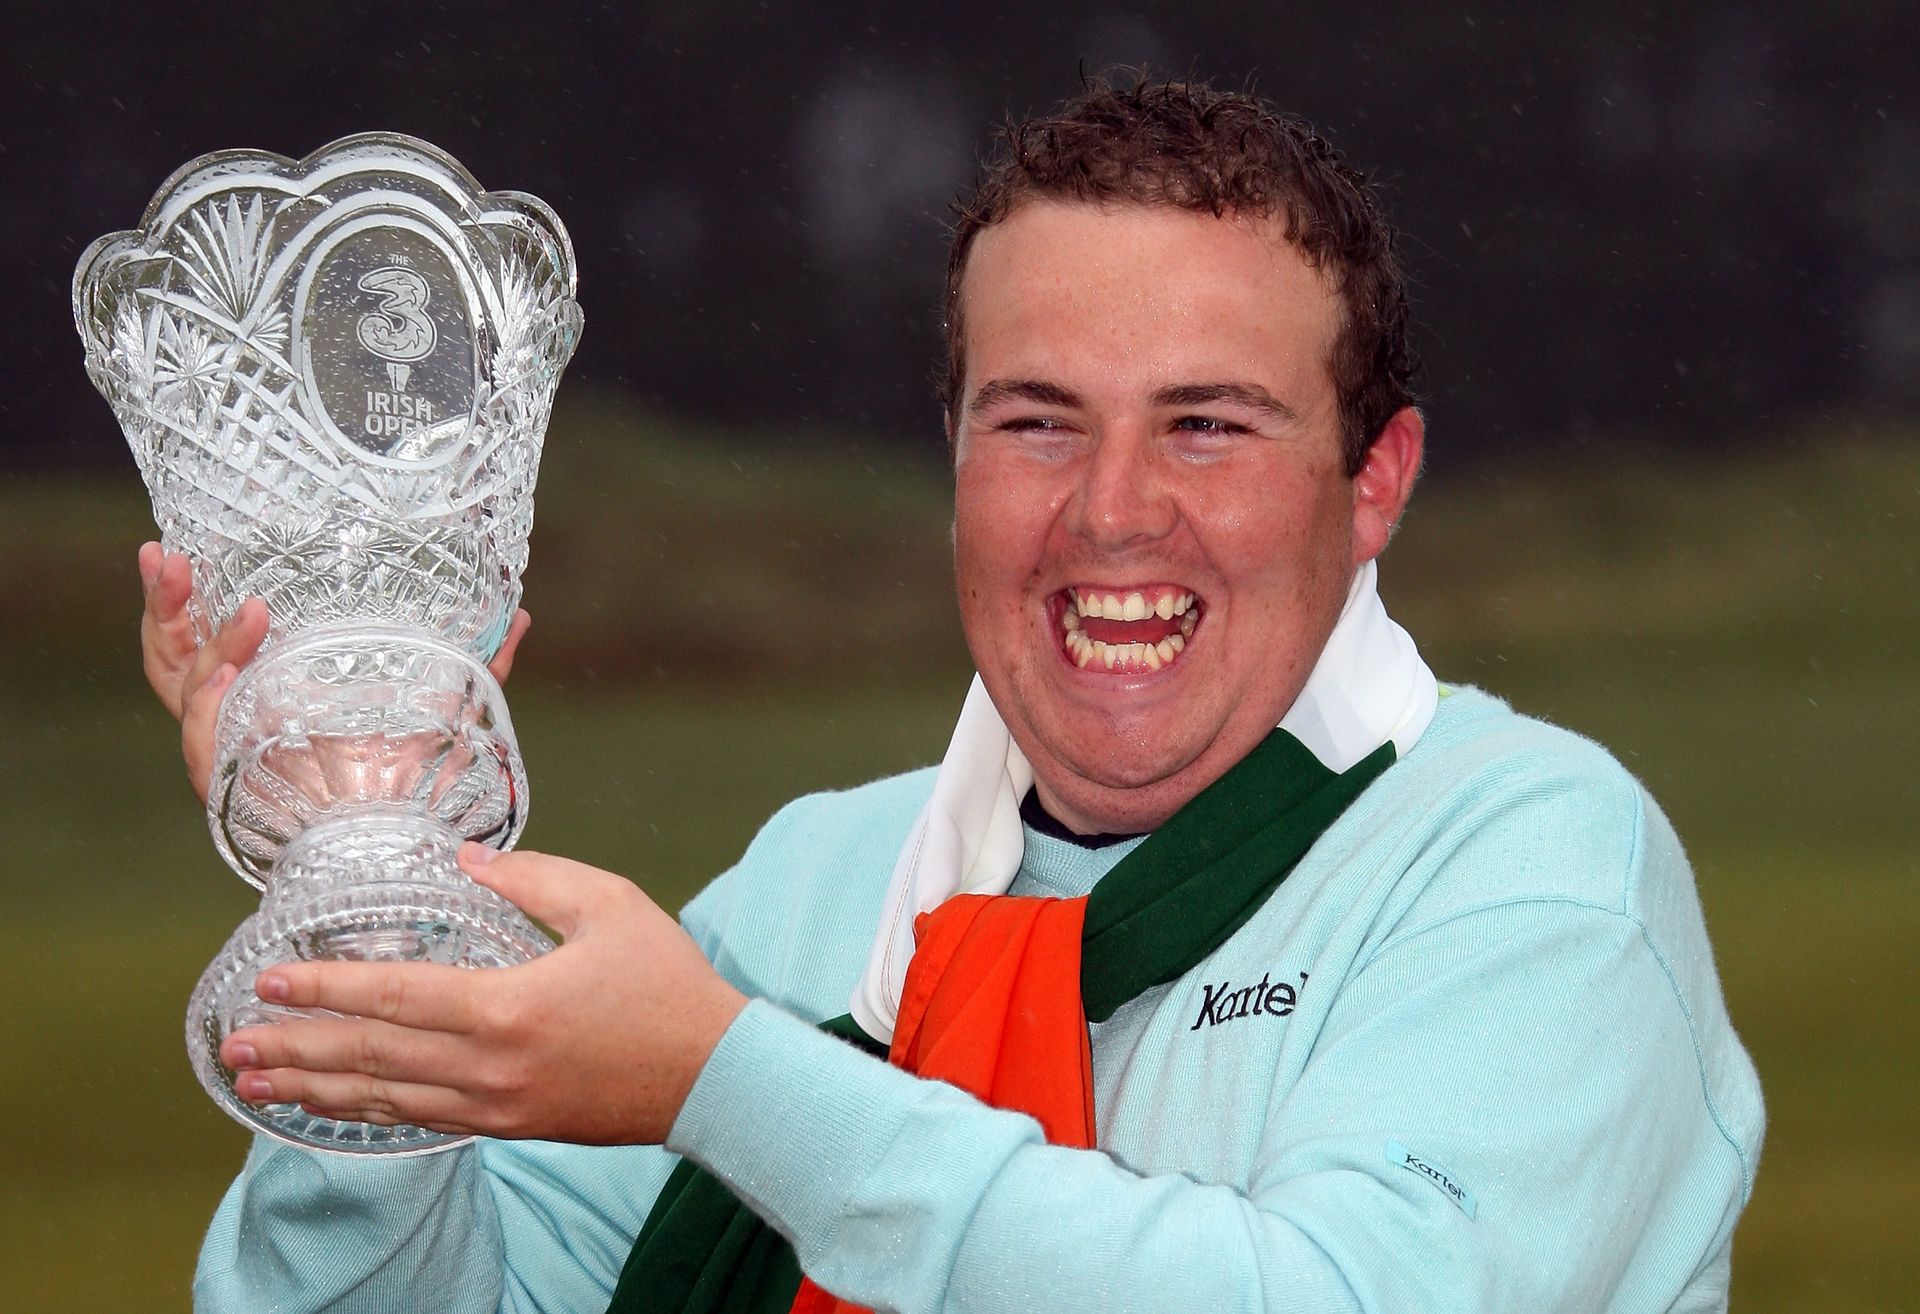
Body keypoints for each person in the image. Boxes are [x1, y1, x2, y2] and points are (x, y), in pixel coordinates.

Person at [143, 76, 1763, 1312]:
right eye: (1037, 420)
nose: (1115, 509)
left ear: (1374, 482)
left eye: (1210, 423)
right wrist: (363, 910)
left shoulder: (1529, 867)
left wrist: (730, 1082)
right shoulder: (808, 893)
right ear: (954, 451)